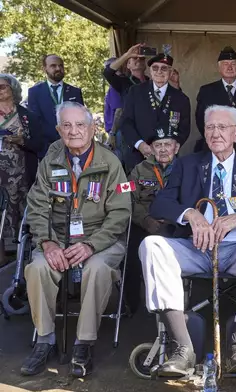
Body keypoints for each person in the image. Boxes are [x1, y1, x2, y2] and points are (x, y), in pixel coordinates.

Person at [139, 105, 236, 376]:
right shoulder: (186, 164)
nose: (215, 133)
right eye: (210, 127)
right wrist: (190, 214)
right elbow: (160, 204)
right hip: (194, 248)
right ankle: (181, 348)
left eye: (222, 127)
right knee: (151, 245)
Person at [21, 102, 131, 378]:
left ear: (92, 128)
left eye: (80, 125)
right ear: (58, 130)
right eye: (66, 126)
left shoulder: (111, 162)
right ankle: (45, 340)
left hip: (100, 239)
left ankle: (84, 342)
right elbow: (36, 206)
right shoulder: (51, 160)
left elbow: (121, 213)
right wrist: (47, 242)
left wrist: (91, 245)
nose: (74, 131)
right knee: (37, 268)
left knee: (97, 268)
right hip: (58, 237)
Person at [125, 125, 180, 313]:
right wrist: (146, 220)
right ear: (151, 148)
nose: (163, 149)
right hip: (144, 223)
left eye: (167, 144)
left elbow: (193, 199)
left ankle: (174, 305)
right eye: (158, 145)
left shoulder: (188, 168)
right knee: (130, 251)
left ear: (176, 148)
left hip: (176, 225)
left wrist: (172, 220)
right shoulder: (138, 170)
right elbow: (126, 198)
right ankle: (130, 306)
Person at [119, 53, 191, 174]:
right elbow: (126, 122)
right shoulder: (135, 92)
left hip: (168, 160)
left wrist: (172, 146)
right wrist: (140, 145)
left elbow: (184, 129)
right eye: (155, 68)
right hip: (138, 157)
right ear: (150, 71)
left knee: (169, 191)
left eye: (164, 68)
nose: (159, 72)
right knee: (133, 191)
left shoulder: (181, 98)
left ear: (171, 72)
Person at [0, 74, 43, 266]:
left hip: (24, 174)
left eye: (2, 87)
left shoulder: (27, 116)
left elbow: (39, 144)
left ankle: (24, 256)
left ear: (13, 89)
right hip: (1, 176)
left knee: (24, 213)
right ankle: (1, 256)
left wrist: (22, 141)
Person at [195, 46, 236, 157]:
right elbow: (200, 120)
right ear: (219, 68)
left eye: (233, 64)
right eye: (225, 64)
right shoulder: (206, 91)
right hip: (214, 147)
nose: (230, 67)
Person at [28, 54, 84, 158]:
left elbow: (81, 119)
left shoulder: (75, 92)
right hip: (47, 149)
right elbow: (35, 121)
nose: (58, 68)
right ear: (44, 68)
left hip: (73, 147)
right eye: (53, 66)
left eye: (61, 65)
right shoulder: (35, 92)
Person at [103, 58, 123, 135]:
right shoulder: (117, 85)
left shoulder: (116, 87)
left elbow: (119, 110)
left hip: (117, 130)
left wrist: (112, 133)